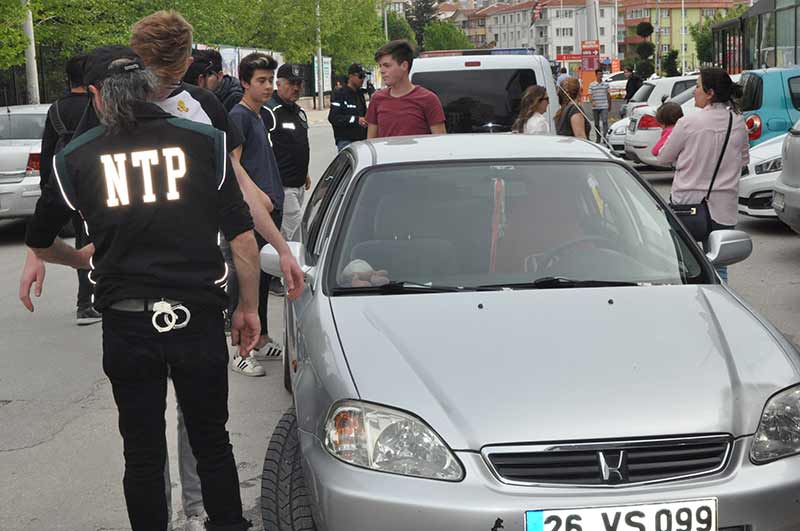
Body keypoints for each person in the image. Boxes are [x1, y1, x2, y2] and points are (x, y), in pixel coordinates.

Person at [25, 45, 258, 531]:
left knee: (142, 453)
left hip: (128, 324)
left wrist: (79, 259)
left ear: (95, 95)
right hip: (196, 317)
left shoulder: (76, 157)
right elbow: (241, 237)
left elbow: (41, 241)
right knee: (213, 443)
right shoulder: (204, 142)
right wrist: (249, 309)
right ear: (150, 85)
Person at [657, 67, 749, 281]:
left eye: (697, 86)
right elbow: (744, 159)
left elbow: (663, 157)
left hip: (687, 203)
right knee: (720, 265)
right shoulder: (737, 122)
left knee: (686, 263)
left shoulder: (688, 123)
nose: (694, 91)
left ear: (710, 93)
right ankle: (719, 303)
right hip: (724, 206)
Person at [228, 52, 285, 375]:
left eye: (270, 80)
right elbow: (233, 165)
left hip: (268, 213)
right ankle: (240, 350)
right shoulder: (238, 117)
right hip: (250, 214)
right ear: (244, 83)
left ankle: (260, 338)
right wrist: (259, 195)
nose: (268, 87)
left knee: (261, 279)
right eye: (261, 81)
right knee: (243, 281)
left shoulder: (259, 116)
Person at [37, 53, 99, 325]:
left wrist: (47, 188)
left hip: (65, 181)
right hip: (96, 178)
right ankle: (95, 299)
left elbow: (47, 150)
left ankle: (84, 301)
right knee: (101, 236)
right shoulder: (95, 105)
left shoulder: (56, 109)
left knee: (81, 239)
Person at [266, 64, 311, 243]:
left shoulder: (298, 111)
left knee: (290, 232)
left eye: (299, 83)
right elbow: (265, 151)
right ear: (279, 84)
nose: (296, 88)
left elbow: (300, 144)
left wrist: (305, 172)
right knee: (296, 230)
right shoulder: (270, 111)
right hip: (282, 186)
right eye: (291, 83)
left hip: (299, 184)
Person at [366, 40, 446, 139]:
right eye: (380, 66)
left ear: (404, 65)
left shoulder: (429, 99)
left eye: (387, 66)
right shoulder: (377, 99)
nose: (382, 71)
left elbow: (440, 143)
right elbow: (371, 141)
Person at [328, 63, 368, 150]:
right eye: (360, 76)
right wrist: (356, 120)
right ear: (351, 76)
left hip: (362, 140)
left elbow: (365, 114)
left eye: (364, 77)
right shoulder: (340, 94)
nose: (362, 79)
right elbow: (333, 117)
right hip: (346, 141)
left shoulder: (360, 94)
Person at [589, 68, 610, 143]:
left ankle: (605, 138)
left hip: (604, 106)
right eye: (599, 74)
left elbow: (608, 95)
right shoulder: (592, 85)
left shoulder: (606, 85)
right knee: (596, 123)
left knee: (605, 121)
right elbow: (590, 95)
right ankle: (598, 137)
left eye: (601, 74)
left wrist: (609, 105)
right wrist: (592, 102)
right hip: (595, 107)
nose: (600, 76)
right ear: (596, 75)